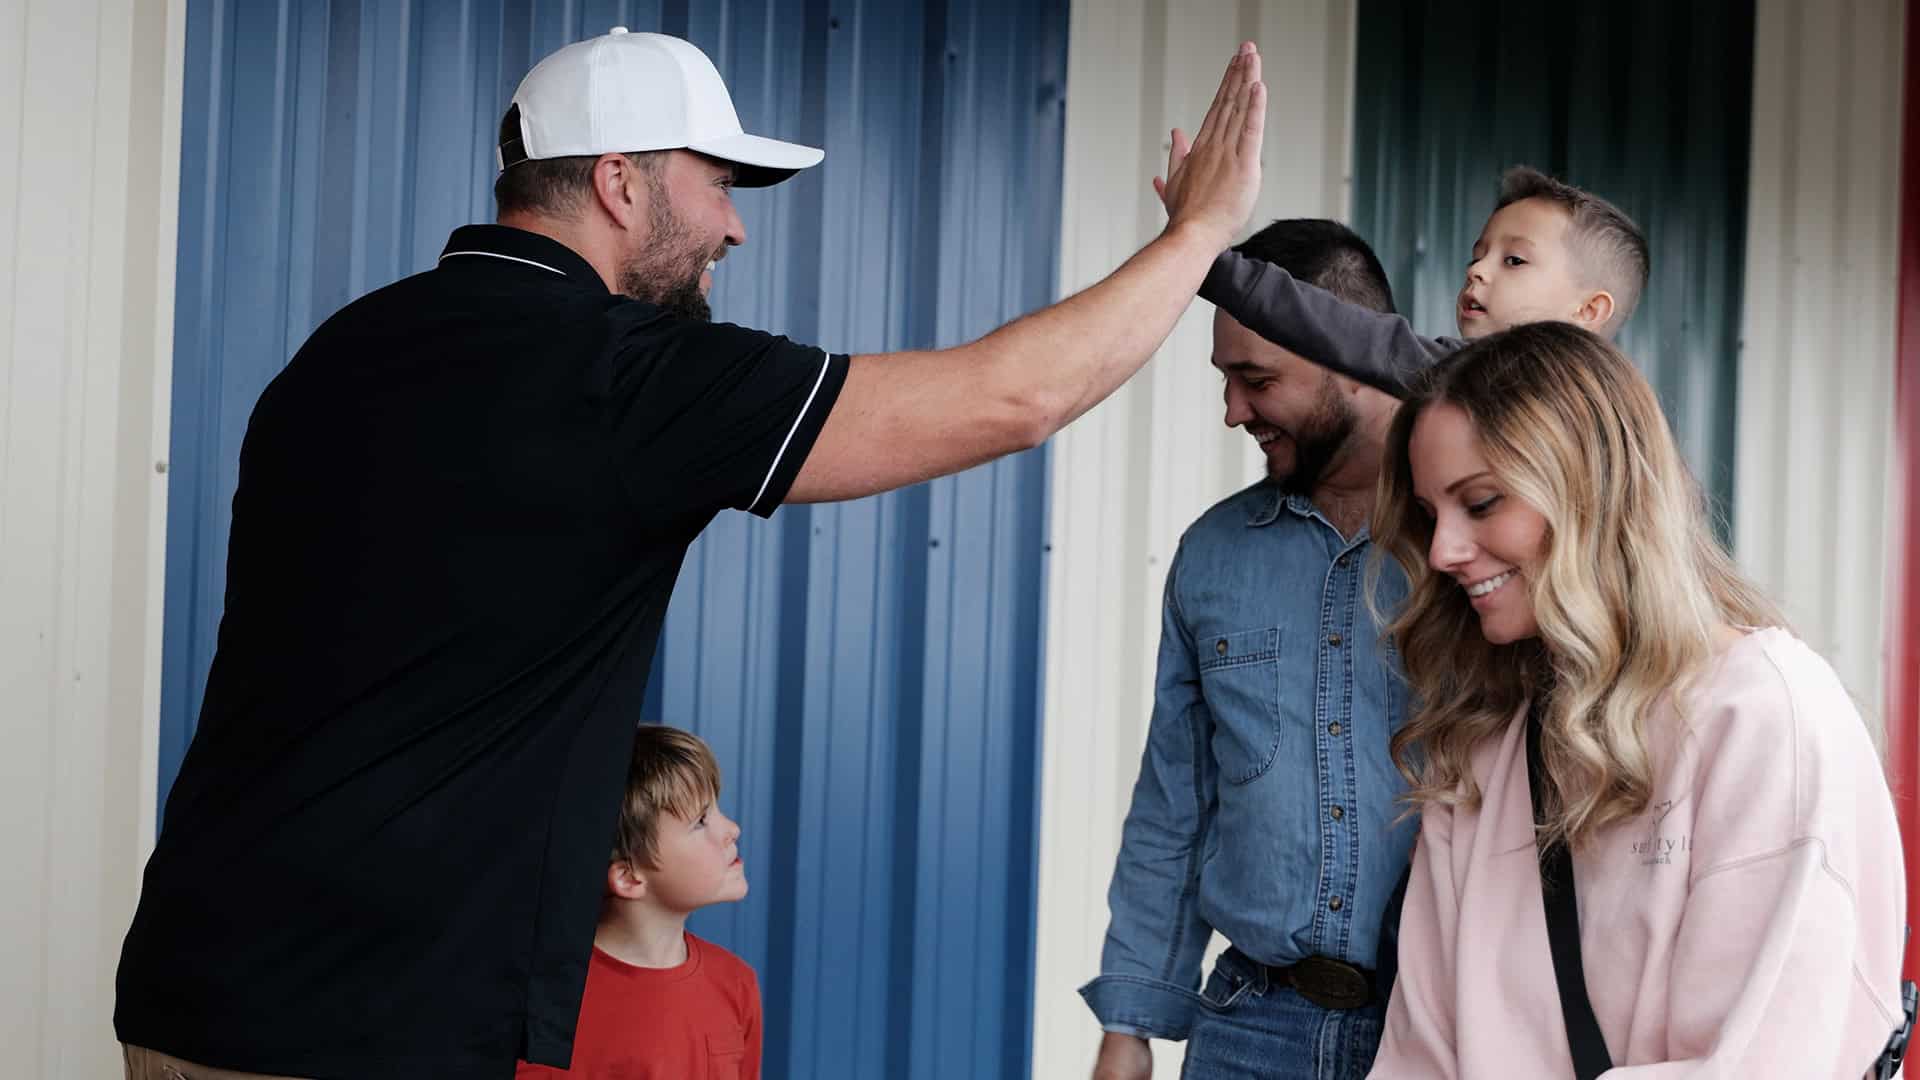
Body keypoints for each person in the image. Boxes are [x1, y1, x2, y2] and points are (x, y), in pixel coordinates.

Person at [115, 27, 1268, 1080]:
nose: (735, 223)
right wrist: (1199, 233)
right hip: (369, 1029)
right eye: (715, 182)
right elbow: (1014, 397)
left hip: (186, 988)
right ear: (619, 182)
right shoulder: (618, 373)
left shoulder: (342, 350)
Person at [1364, 322, 1906, 1077]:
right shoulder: (1481, 754)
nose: (1444, 550)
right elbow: (1417, 1056)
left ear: (1595, 491)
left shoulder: (1763, 716)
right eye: (1430, 516)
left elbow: (1759, 1062)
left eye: (1482, 503)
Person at [1082, 220, 1416, 1080]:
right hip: (1248, 1029)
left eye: (1256, 379)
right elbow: (1176, 803)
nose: (1233, 411)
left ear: (1352, 358)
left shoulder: (1472, 550)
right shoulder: (1213, 556)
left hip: (1437, 1029)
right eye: (1227, 379)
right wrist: (1131, 1021)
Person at [1187, 166, 1647, 396]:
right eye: (1478, 254)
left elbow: (1343, 333)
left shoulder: (1471, 380)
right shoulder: (1456, 369)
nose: (1477, 271)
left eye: (1514, 261)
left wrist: (1201, 256)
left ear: (1588, 311)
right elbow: (1339, 330)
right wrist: (1196, 254)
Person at [516, 725, 760, 1079]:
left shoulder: (736, 984)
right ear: (629, 877)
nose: (732, 829)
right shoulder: (548, 1001)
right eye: (700, 821)